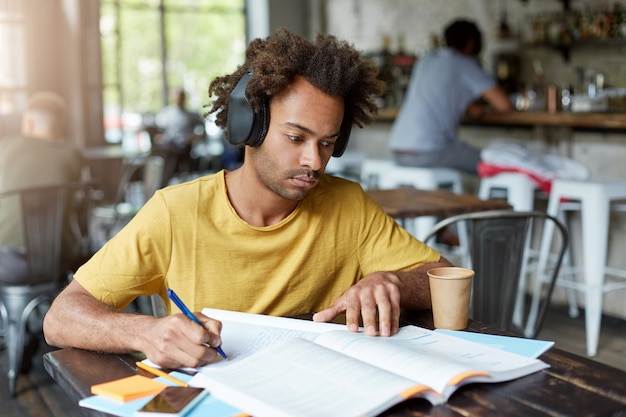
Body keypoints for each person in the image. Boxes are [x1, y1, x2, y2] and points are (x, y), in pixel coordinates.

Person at [43, 28, 451, 370]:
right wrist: (144, 331)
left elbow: (444, 278)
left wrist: (390, 281)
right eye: (296, 137)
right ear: (249, 123)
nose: (314, 160)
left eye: (327, 143)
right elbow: (61, 317)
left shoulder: (348, 203)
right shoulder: (176, 212)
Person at [389, 19, 513, 175]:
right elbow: (505, 105)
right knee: (497, 164)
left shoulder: (427, 60)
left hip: (398, 149)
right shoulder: (465, 64)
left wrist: (468, 105)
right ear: (471, 43)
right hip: (430, 151)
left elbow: (440, 93)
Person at [0, 91, 85, 284]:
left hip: (8, 261)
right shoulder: (72, 155)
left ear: (29, 123)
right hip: (58, 259)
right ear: (60, 126)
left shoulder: (5, 148)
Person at [152, 88, 205, 182]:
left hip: (185, 146)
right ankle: (163, 179)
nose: (179, 100)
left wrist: (195, 136)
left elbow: (202, 128)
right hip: (170, 145)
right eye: (177, 97)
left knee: (180, 158)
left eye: (181, 97)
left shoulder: (191, 115)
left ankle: (181, 176)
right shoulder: (168, 113)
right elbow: (160, 129)